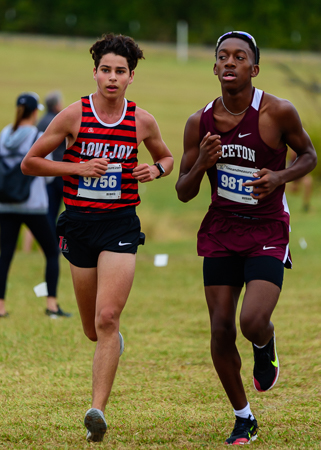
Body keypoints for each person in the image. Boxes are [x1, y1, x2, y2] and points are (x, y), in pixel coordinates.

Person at [21, 33, 174, 442]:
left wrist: (155, 170)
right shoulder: (73, 116)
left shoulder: (142, 120)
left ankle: (96, 412)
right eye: (105, 70)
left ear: (131, 77)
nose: (111, 77)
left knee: (108, 317)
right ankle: (110, 342)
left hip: (121, 225)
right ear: (95, 72)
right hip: (80, 226)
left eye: (119, 71)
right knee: (93, 328)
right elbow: (30, 163)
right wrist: (78, 168)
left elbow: (166, 156)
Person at [175, 31, 317, 445]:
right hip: (221, 229)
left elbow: (309, 155)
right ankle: (244, 416)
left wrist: (280, 176)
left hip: (267, 229)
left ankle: (265, 340)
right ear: (215, 67)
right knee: (220, 331)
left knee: (251, 321)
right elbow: (184, 192)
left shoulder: (277, 112)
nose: (230, 62)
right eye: (223, 56)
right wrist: (201, 162)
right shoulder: (198, 123)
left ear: (254, 69)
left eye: (240, 57)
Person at [0, 92, 71, 319]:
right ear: (34, 111)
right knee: (51, 252)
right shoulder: (37, 137)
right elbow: (48, 174)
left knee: (5, 255)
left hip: (6, 204)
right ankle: (51, 305)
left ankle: (0, 306)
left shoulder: (3, 135)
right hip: (33, 206)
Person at [38, 90, 65, 229]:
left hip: (47, 172)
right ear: (55, 105)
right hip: (61, 170)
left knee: (51, 209)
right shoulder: (58, 121)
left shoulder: (40, 121)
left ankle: (51, 239)